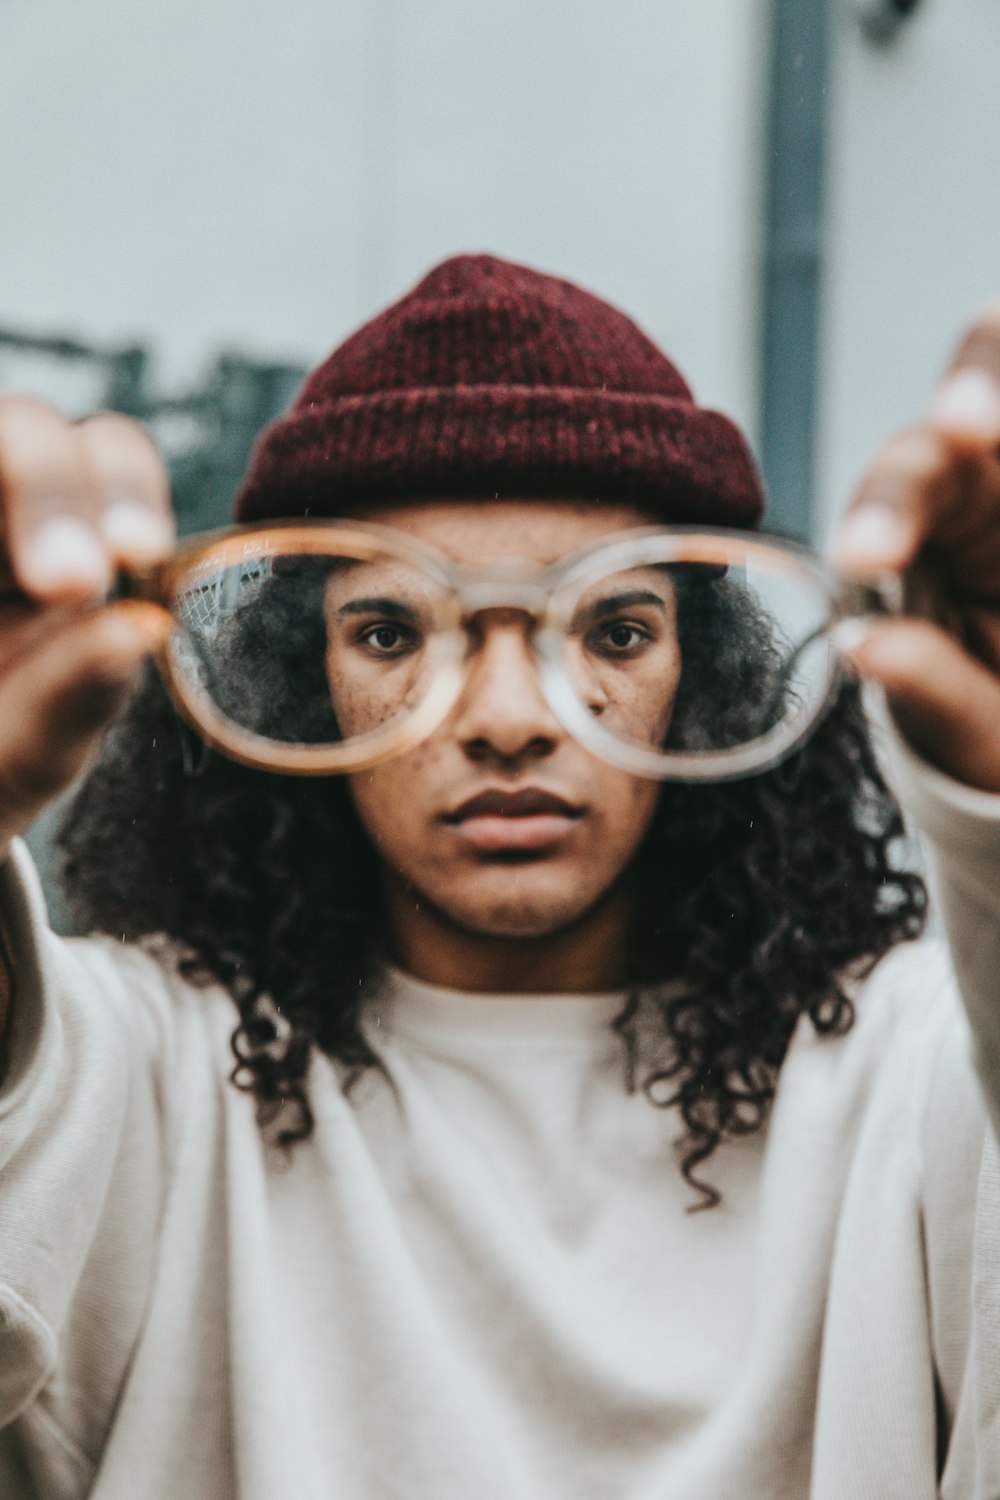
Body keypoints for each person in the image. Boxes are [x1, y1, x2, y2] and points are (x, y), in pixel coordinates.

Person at [0, 253, 998, 1499]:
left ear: (707, 678)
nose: (511, 718)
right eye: (390, 631)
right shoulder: (141, 1072)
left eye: (615, 631)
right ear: (302, 684)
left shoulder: (906, 1078)